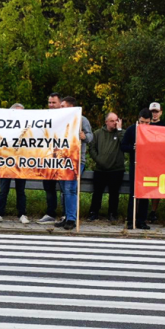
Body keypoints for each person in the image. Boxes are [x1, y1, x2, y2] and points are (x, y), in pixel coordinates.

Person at [55, 96, 93, 230]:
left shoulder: (82, 120)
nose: (60, 108)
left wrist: (84, 137)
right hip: (61, 160)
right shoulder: (60, 120)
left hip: (75, 160)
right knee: (64, 190)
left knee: (70, 188)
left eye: (63, 106)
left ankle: (71, 218)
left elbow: (90, 136)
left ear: (71, 107)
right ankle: (66, 216)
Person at [0, 103, 30, 224]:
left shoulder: (28, 128)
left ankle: (22, 214)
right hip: (6, 162)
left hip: (21, 162)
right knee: (3, 190)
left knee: (21, 190)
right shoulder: (4, 127)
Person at [88, 112, 124, 222]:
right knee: (97, 193)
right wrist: (98, 159)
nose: (114, 123)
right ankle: (93, 213)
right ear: (106, 122)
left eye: (116, 120)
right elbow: (92, 149)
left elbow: (124, 144)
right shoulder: (98, 133)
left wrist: (119, 130)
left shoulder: (121, 133)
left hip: (116, 169)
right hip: (100, 169)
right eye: (112, 121)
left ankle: (112, 214)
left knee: (114, 194)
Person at [121, 108, 152, 230]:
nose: (144, 125)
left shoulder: (154, 130)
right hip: (135, 164)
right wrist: (132, 147)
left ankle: (141, 220)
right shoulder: (131, 129)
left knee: (145, 194)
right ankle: (130, 220)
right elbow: (123, 146)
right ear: (138, 120)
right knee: (133, 194)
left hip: (148, 165)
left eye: (147, 122)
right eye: (142, 122)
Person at [37, 92, 62, 224]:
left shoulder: (70, 116)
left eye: (54, 103)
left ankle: (66, 214)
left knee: (65, 188)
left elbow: (89, 137)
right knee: (49, 188)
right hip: (47, 159)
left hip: (63, 159)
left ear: (60, 103)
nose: (51, 105)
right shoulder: (43, 117)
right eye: (49, 102)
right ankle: (50, 213)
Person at [148, 101, 165, 223]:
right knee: (144, 185)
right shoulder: (144, 125)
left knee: (157, 187)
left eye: (156, 112)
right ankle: (140, 211)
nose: (154, 114)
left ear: (160, 112)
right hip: (146, 160)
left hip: (159, 160)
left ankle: (153, 211)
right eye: (152, 112)